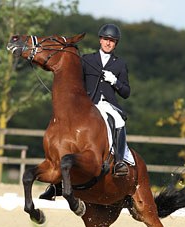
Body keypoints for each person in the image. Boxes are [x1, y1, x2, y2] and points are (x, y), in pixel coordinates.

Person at [39, 23, 131, 200]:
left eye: (112, 41)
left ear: (115, 43)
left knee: (118, 120)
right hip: (87, 105)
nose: (108, 43)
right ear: (100, 40)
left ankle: (119, 161)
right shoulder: (87, 59)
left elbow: (126, 92)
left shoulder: (119, 64)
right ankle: (55, 182)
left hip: (107, 105)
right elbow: (73, 79)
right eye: (106, 39)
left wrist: (115, 82)